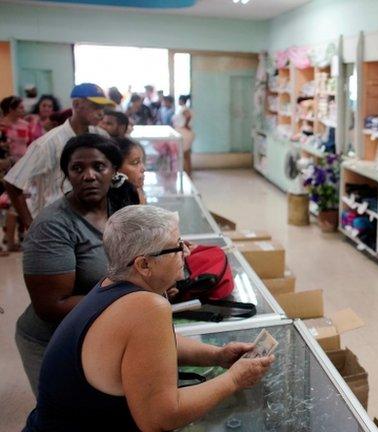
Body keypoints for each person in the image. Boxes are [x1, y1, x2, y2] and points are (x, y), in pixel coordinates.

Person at [23, 205, 275, 431]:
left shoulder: (111, 284)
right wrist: (234, 379)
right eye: (177, 246)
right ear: (144, 265)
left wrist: (217, 355)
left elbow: (157, 343)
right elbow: (160, 417)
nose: (187, 252)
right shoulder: (147, 306)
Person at [15, 134, 127, 396]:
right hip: (53, 342)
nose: (89, 176)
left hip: (99, 334)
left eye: (99, 166)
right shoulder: (54, 225)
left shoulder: (118, 204)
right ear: (67, 174)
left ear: (114, 171)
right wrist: (130, 293)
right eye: (77, 168)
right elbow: (52, 306)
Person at [3, 83, 114, 232]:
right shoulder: (48, 143)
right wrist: (29, 223)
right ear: (77, 104)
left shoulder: (101, 136)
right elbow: (13, 182)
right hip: (55, 225)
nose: (101, 113)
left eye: (102, 108)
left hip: (91, 223)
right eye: (95, 106)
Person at [0, 96, 33, 251]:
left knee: (22, 201)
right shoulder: (2, 125)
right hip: (6, 166)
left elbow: (28, 144)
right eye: (20, 107)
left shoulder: (25, 124)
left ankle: (18, 239)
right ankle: (7, 240)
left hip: (23, 166)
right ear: (11, 108)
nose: (23, 110)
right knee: (8, 204)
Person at [113, 137, 146, 205]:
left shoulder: (138, 194)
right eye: (135, 162)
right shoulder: (112, 206)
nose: (143, 169)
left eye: (141, 162)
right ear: (115, 169)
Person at [172, 94, 194, 174]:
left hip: (183, 133)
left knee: (184, 154)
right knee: (186, 154)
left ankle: (187, 173)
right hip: (183, 132)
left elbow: (188, 116)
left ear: (181, 100)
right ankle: (188, 172)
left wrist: (185, 125)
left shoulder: (183, 109)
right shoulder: (182, 109)